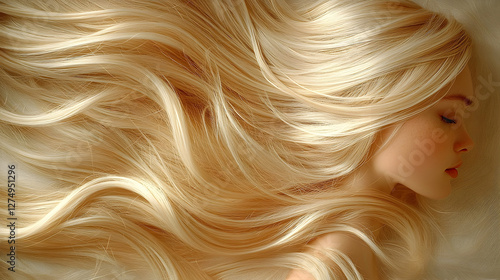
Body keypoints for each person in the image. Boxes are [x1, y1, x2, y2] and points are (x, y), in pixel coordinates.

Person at [0, 0, 475, 279]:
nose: (468, 141)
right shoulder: (332, 263)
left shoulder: (346, 252)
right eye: (449, 117)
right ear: (377, 105)